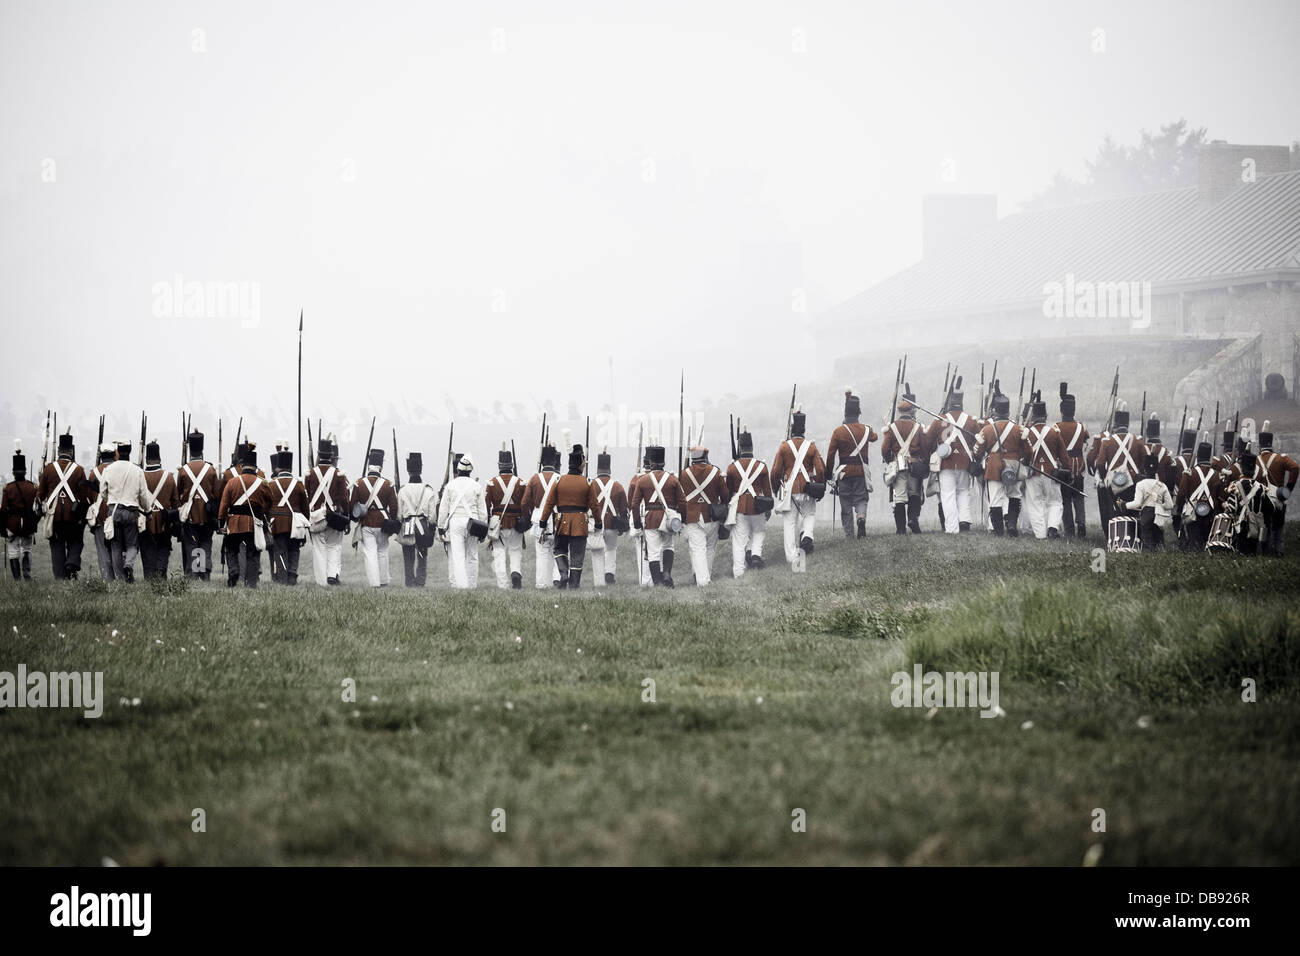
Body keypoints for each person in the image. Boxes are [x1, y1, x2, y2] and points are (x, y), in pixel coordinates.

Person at [539, 443, 600, 589]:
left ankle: (563, 573)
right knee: (577, 556)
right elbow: (595, 505)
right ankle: (573, 586)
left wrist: (543, 520)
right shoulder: (587, 482)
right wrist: (599, 522)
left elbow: (549, 502)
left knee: (560, 550)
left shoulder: (559, 481)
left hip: (562, 521)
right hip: (580, 522)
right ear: (580, 465)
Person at [772, 406, 826, 571]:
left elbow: (775, 472)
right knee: (809, 515)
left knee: (790, 524)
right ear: (803, 430)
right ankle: (807, 536)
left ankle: (792, 557)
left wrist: (776, 490)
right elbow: (821, 470)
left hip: (790, 491)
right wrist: (820, 486)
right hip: (808, 488)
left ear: (791, 430)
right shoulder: (811, 447)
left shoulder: (784, 447)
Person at [972, 385, 1030, 537]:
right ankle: (1011, 525)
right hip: (1014, 465)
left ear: (995, 412)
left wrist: (978, 459)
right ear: (1009, 412)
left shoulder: (987, 429)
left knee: (996, 499)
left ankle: (998, 531)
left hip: (994, 466)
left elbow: (977, 451)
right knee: (1014, 495)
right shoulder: (1019, 429)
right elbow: (1028, 451)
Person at [36, 430, 90, 579]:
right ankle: (72, 563)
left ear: (59, 451)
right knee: (75, 541)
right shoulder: (79, 469)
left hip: (54, 516)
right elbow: (84, 495)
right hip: (72, 515)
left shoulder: (49, 468)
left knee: (57, 546)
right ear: (71, 451)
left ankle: (60, 577)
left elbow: (40, 494)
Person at [824, 387, 877, 539]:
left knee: (846, 503)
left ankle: (849, 535)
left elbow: (831, 455)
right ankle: (861, 517)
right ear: (858, 413)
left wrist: (828, 474)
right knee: (861, 498)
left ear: (845, 413)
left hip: (844, 473)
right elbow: (875, 437)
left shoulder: (838, 431)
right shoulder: (866, 430)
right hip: (861, 471)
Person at [218, 444, 272, 588]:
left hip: (234, 522)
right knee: (252, 553)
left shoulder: (232, 482)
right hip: (253, 523)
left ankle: (234, 571)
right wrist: (262, 516)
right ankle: (252, 583)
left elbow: (224, 505)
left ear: (242, 466)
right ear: (255, 467)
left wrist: (221, 522)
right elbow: (269, 502)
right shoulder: (262, 483)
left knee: (231, 549)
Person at [96, 440, 151, 582]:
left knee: (116, 547)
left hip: (113, 511)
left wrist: (112, 500)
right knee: (133, 544)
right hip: (131, 511)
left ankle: (120, 580)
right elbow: (143, 495)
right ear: (130, 451)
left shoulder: (108, 469)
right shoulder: (137, 470)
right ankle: (129, 564)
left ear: (117, 452)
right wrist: (148, 510)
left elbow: (102, 493)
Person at [924, 384, 976, 534]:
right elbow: (977, 440)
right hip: (965, 462)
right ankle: (964, 521)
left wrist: (936, 449)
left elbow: (928, 440)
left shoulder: (939, 419)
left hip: (946, 463)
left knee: (948, 495)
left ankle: (952, 528)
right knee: (964, 491)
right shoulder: (971, 420)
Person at [629, 441, 681, 587]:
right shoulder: (672, 479)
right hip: (669, 518)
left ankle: (658, 583)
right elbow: (682, 502)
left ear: (650, 462)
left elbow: (634, 504)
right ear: (663, 462)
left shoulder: (642, 480)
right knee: (668, 546)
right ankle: (667, 574)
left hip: (651, 518)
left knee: (653, 552)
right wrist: (680, 519)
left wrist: (638, 523)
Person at [724, 427, 773, 578]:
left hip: (740, 507)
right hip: (758, 505)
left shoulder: (732, 467)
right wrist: (768, 508)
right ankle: (756, 555)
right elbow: (767, 491)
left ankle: (738, 572)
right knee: (759, 531)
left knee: (739, 541)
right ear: (752, 447)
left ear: (740, 448)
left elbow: (729, 491)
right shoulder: (762, 466)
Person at [678, 445, 729, 586]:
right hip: (712, 515)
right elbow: (725, 495)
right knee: (710, 548)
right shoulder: (716, 472)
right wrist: (723, 508)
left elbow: (680, 497)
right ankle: (705, 576)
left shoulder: (683, 474)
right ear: (706, 455)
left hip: (693, 517)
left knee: (698, 549)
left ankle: (702, 580)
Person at [350, 448, 399, 588]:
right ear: (380, 467)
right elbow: (394, 507)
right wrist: (391, 522)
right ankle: (383, 581)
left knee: (370, 553)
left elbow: (353, 505)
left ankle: (374, 583)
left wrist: (355, 518)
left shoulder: (359, 483)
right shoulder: (388, 484)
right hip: (383, 522)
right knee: (382, 552)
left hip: (366, 522)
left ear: (369, 465)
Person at [305, 434, 350, 586]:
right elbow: (344, 498)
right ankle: (331, 575)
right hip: (334, 515)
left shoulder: (310, 474)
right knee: (334, 546)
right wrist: (346, 515)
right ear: (331, 456)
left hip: (316, 516)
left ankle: (321, 580)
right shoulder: (339, 474)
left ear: (319, 455)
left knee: (318, 549)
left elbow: (308, 496)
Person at [438, 451, 486, 589]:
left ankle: (461, 585)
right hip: (473, 523)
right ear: (471, 471)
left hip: (456, 522)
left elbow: (443, 508)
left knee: (457, 557)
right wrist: (483, 530)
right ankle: (471, 585)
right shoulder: (477, 486)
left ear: (458, 470)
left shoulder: (450, 485)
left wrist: (441, 526)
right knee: (472, 556)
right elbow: (482, 511)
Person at [1022, 398, 1068, 539]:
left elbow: (1023, 455)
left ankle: (1040, 534)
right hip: (1051, 473)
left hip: (1033, 473)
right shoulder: (1054, 432)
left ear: (1033, 417)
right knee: (1055, 502)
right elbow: (1064, 456)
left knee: (1035, 503)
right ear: (1045, 416)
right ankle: (1052, 528)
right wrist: (1067, 470)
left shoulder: (1027, 433)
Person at [880, 396, 927, 535]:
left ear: (899, 411)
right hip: (914, 464)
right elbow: (924, 448)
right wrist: (921, 461)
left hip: (898, 465)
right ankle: (912, 519)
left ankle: (900, 529)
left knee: (899, 497)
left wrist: (890, 460)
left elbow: (884, 449)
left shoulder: (891, 427)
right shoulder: (918, 427)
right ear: (911, 410)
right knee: (914, 494)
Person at [177, 428, 220, 580]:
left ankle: (194, 574)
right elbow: (216, 494)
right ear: (201, 449)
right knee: (205, 545)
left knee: (191, 545)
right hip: (207, 515)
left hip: (190, 515)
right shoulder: (211, 470)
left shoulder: (183, 471)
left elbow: (179, 495)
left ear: (190, 450)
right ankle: (204, 573)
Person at [485, 444, 526, 589]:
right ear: (511, 465)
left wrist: (489, 521)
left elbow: (486, 505)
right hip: (517, 522)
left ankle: (503, 584)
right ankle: (515, 572)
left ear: (499, 465)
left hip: (498, 523)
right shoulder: (521, 482)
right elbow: (525, 504)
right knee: (515, 551)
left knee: (499, 554)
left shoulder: (491, 483)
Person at [521, 443, 562, 589]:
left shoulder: (534, 479)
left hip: (539, 520)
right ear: (554, 461)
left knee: (542, 554)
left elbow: (525, 502)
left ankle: (542, 583)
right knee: (558, 551)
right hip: (557, 521)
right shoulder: (560, 478)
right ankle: (557, 580)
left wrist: (528, 515)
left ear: (543, 461)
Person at [1254, 422, 1297, 556]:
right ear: (1270, 444)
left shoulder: (1255, 460)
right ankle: (1278, 552)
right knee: (1278, 528)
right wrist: (1288, 489)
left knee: (1263, 526)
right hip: (1279, 498)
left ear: (1260, 445)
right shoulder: (1281, 458)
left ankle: (1264, 552)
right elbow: (1295, 468)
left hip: (1262, 499)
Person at [1173, 432, 1221, 551]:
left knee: (1193, 537)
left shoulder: (1189, 473)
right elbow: (1219, 495)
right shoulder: (1216, 475)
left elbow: (1182, 493)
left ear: (1198, 456)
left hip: (1192, 510)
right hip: (1209, 511)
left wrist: (1178, 508)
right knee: (1205, 536)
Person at [588, 449, 629, 586]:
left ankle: (599, 578)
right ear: (609, 469)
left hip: (595, 524)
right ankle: (609, 574)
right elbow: (624, 508)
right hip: (612, 524)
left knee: (597, 551)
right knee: (611, 549)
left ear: (598, 469)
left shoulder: (591, 484)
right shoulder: (617, 486)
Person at [267, 450, 308, 585]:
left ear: (279, 468)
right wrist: (305, 525)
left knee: (280, 550)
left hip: (277, 523)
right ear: (291, 468)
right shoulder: (298, 484)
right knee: (294, 550)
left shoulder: (271, 484)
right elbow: (305, 508)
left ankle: (282, 577)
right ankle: (292, 575)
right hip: (295, 523)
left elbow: (267, 506)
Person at [397, 452, 438, 587]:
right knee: (422, 555)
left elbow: (399, 515)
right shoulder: (428, 490)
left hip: (408, 524)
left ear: (408, 470)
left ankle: (409, 582)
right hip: (422, 525)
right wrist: (431, 528)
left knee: (408, 556)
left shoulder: (402, 491)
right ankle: (420, 582)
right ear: (421, 469)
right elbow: (432, 517)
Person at [1054, 383, 1090, 540]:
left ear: (1062, 411)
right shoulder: (1082, 427)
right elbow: (1085, 442)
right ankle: (1081, 525)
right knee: (1078, 497)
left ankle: (1069, 530)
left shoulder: (1056, 427)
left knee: (1065, 499)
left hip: (1064, 467)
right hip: (1079, 466)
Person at [140, 440, 178, 579]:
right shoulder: (168, 477)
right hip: (164, 522)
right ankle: (161, 571)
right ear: (159, 459)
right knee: (163, 547)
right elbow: (175, 501)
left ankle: (150, 576)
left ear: (146, 459)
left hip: (145, 521)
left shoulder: (140, 476)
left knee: (147, 549)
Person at [1221, 447, 1271, 555]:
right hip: (1255, 526)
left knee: (1241, 553)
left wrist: (1225, 505)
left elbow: (1231, 508)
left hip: (1240, 527)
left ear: (1242, 469)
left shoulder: (1235, 485)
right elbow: (1270, 508)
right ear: (1253, 470)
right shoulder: (1261, 487)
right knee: (1252, 552)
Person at [1, 441, 38, 581]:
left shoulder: (8, 488)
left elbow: (3, 510)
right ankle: (27, 576)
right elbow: (37, 508)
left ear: (13, 472)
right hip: (28, 523)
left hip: (13, 523)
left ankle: (17, 580)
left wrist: (2, 528)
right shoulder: (33, 487)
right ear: (25, 471)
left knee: (13, 551)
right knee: (27, 549)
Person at [85, 443, 117, 581]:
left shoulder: (94, 472)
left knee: (103, 552)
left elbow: (88, 496)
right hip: (115, 515)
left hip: (99, 516)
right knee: (117, 550)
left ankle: (107, 579)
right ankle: (119, 578)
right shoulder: (118, 470)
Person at [1132, 455, 1174, 549]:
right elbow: (1170, 505)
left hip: (1146, 515)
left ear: (1145, 469)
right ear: (1156, 470)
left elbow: (1137, 503)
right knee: (1158, 539)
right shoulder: (1162, 485)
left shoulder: (1140, 484)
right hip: (1158, 515)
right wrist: (1159, 505)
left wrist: (1124, 504)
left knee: (1147, 540)